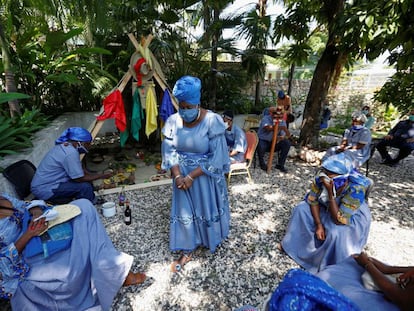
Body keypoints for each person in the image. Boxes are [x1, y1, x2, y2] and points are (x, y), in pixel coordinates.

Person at [0, 193, 146, 310]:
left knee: (83, 206)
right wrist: (28, 235)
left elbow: (26, 206)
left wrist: (36, 214)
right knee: (86, 236)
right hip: (25, 255)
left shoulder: (3, 197)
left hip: (37, 233)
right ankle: (112, 270)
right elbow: (2, 267)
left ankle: (109, 267)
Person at [161, 75, 231, 272]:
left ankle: (209, 238)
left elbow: (217, 157)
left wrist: (192, 176)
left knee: (205, 208)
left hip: (203, 176)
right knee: (184, 211)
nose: (184, 110)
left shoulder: (212, 121)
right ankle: (188, 246)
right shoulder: (173, 121)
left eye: (187, 106)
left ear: (197, 102)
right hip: (181, 177)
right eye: (180, 106)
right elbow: (169, 151)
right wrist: (177, 176)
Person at [280, 153, 372, 273]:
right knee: (301, 209)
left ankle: (326, 265)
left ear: (343, 178)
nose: (325, 176)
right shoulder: (321, 177)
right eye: (324, 171)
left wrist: (330, 194)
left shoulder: (356, 189)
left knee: (335, 233)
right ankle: (291, 246)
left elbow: (338, 220)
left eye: (330, 174)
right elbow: (313, 200)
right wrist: (318, 224)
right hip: (327, 206)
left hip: (348, 215)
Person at [31, 127, 113, 204]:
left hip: (48, 184)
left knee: (87, 182)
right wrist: (101, 176)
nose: (89, 147)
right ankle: (90, 204)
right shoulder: (70, 153)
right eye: (87, 144)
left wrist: (95, 175)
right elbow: (79, 179)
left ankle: (86, 197)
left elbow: (81, 170)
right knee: (85, 187)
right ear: (79, 143)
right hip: (45, 189)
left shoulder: (66, 147)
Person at [316, 252, 414, 311]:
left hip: (401, 301)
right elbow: (390, 269)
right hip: (402, 293)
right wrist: (381, 267)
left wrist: (368, 265)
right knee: (352, 261)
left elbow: (401, 298)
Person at [257, 106, 291, 173]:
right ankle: (262, 163)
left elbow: (285, 134)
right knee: (260, 145)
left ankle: (280, 164)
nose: (278, 116)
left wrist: (282, 136)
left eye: (280, 114)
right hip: (264, 141)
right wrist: (279, 127)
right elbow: (267, 128)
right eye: (276, 114)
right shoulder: (266, 119)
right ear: (272, 114)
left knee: (286, 143)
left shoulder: (282, 121)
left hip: (274, 142)